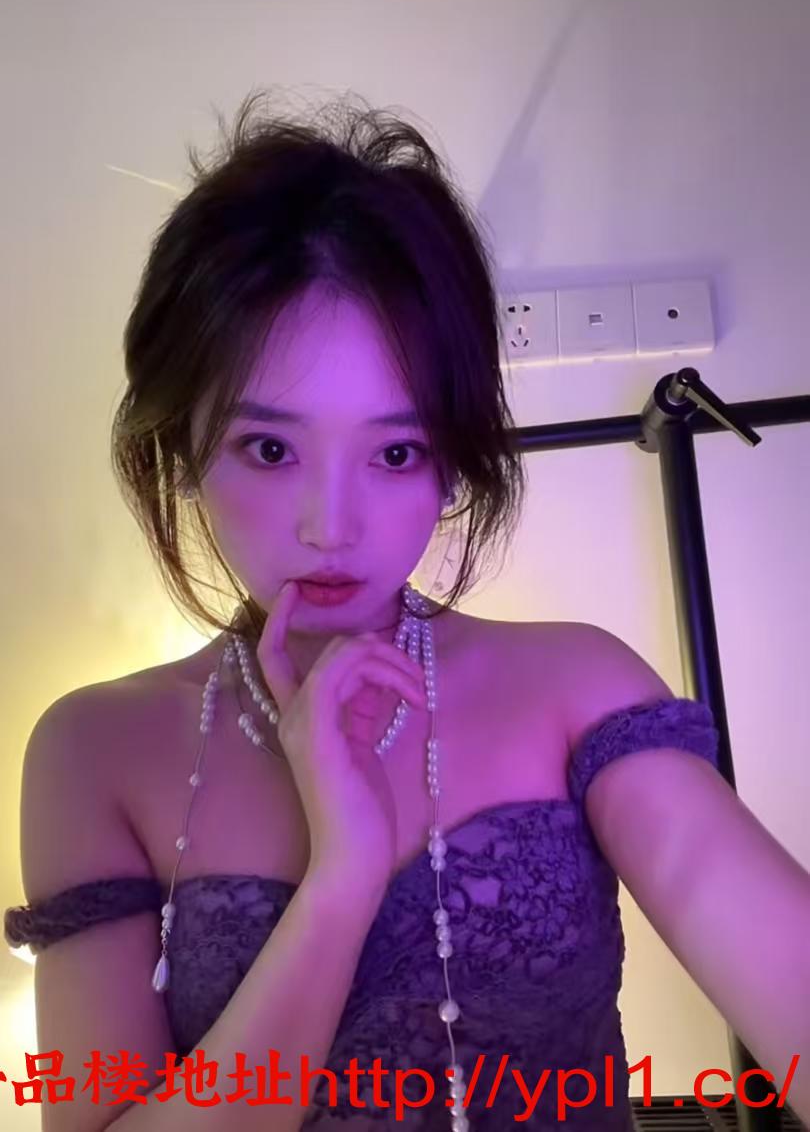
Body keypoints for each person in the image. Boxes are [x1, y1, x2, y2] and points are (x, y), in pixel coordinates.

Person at [5, 88, 810, 1132]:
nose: (331, 527)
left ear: (450, 459)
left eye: (395, 452)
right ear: (183, 448)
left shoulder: (577, 687)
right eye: (269, 448)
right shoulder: (95, 749)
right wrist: (339, 882)